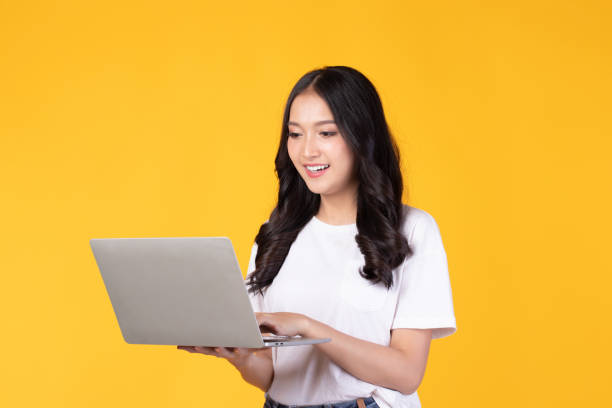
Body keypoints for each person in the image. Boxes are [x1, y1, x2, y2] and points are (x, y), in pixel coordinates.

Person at [178, 65, 457, 408]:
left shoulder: (411, 230)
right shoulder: (276, 233)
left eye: (326, 133)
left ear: (362, 137)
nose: (307, 151)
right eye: (295, 134)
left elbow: (406, 373)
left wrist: (309, 328)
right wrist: (237, 356)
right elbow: (272, 375)